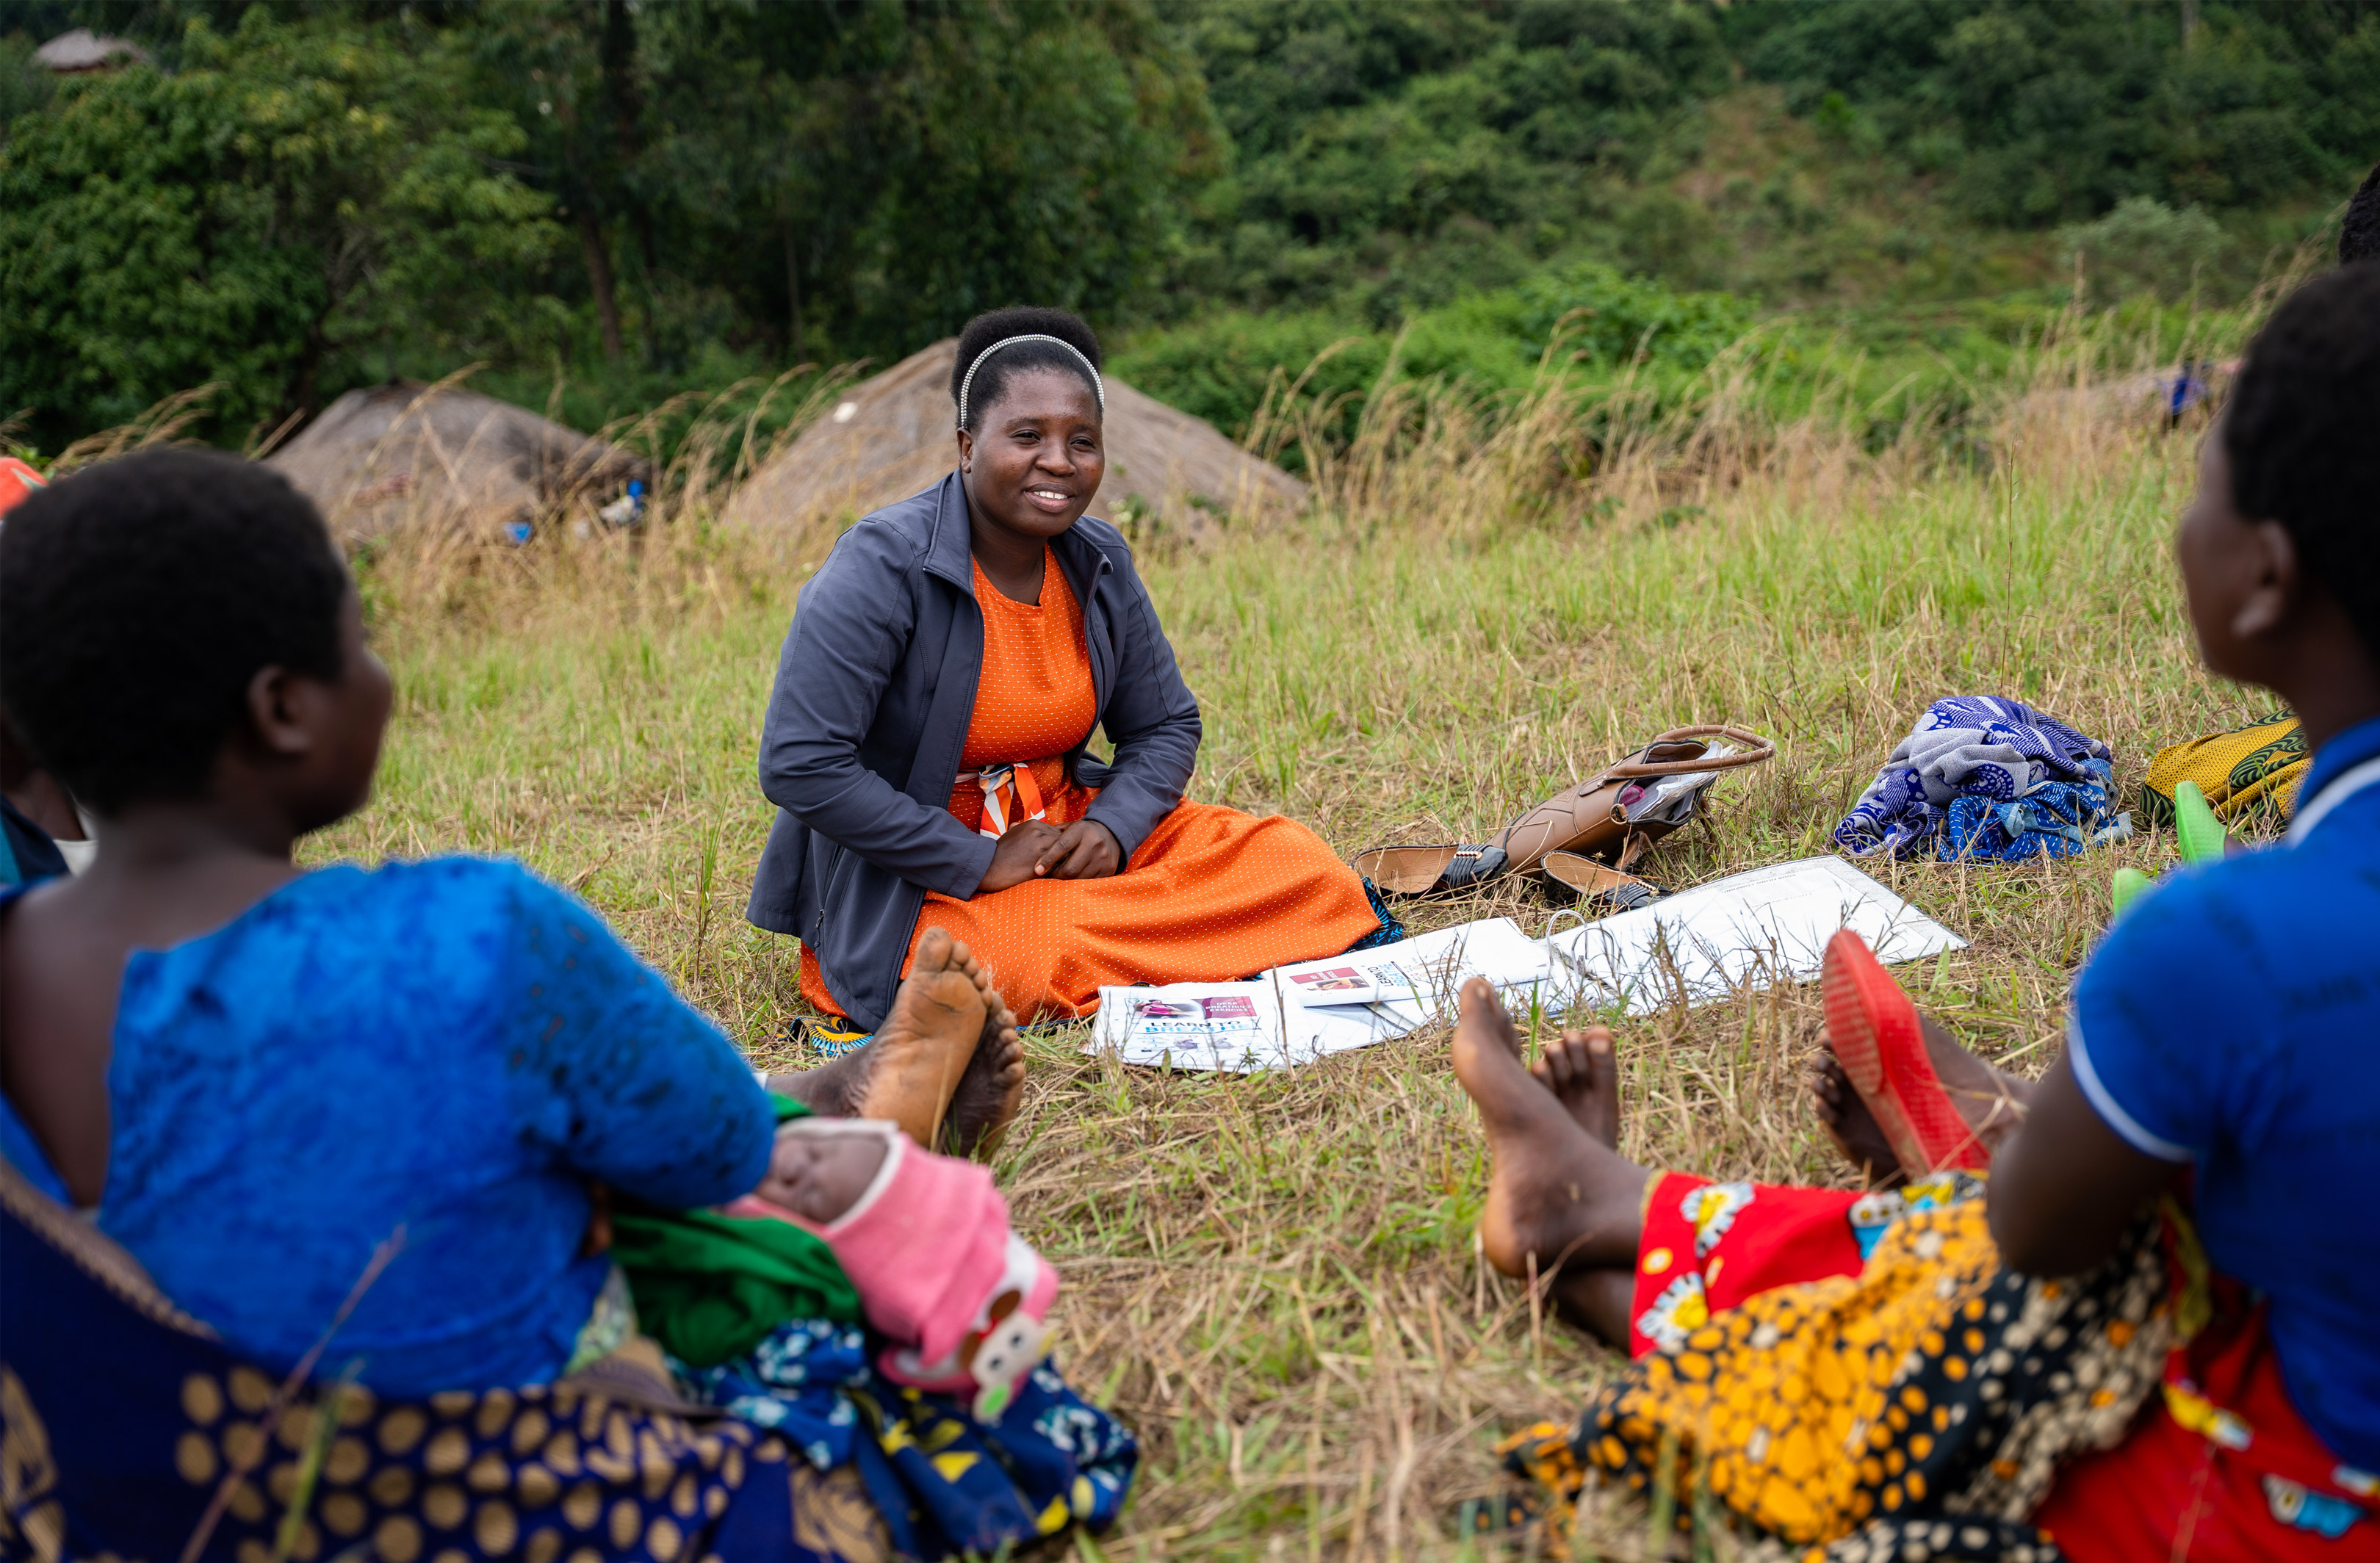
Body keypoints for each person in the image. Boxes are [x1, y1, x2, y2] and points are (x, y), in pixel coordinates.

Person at [0, 448, 1087, 1559]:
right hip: (521, 1512)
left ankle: (837, 1098)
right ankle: (848, 1119)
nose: (380, 676)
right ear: (284, 711)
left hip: (124, 1518)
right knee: (757, 1258)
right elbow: (707, 1157)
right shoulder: (475, 939)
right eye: (359, 643)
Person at [1459, 264, 2380, 1560]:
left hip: (2295, 1501)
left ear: (2266, 578)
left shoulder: (2229, 936)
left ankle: (1615, 1223)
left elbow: (2039, 1236)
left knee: (1982, 1300)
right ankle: (1612, 1203)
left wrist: (2066, 1122)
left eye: (2200, 488)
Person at [746, 306, 1396, 1034]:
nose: (1059, 460)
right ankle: (1145, 940)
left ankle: (1126, 928)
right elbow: (801, 765)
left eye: (1081, 441)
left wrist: (1114, 830)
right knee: (1034, 949)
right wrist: (976, 859)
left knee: (1294, 861)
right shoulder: (881, 565)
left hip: (1065, 836)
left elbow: (1164, 724)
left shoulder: (1100, 558)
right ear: (967, 444)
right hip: (916, 873)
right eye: (1027, 436)